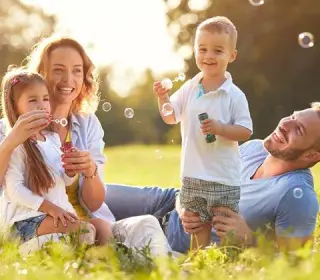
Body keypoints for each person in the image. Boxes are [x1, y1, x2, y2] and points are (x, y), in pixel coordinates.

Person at [0, 35, 171, 256]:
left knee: (147, 224)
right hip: (36, 224)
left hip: (89, 220)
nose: (68, 79)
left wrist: (88, 171)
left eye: (77, 71)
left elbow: (95, 200)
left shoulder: (85, 124)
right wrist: (11, 141)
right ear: (40, 75)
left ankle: (167, 268)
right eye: (59, 70)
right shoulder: (9, 128)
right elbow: (12, 187)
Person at [104, 103, 320, 253]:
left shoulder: (297, 196)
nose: (285, 124)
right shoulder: (255, 148)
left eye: (298, 129)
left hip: (178, 240)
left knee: (96, 229)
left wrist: (249, 241)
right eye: (292, 116)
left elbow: (293, 267)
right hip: (170, 201)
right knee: (89, 194)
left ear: (312, 155)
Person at [153, 16, 252, 248]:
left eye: (218, 50)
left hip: (223, 177)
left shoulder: (234, 95)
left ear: (232, 56)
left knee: (225, 225)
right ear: (195, 51)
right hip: (193, 174)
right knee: (196, 226)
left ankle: (230, 263)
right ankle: (199, 264)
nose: (209, 56)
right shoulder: (190, 88)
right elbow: (170, 116)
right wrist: (163, 98)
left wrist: (221, 128)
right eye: (203, 49)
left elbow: (246, 130)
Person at [0, 69, 112, 245]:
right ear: (15, 107)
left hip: (53, 214)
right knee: (84, 230)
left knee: (103, 227)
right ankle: (86, 263)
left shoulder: (52, 139)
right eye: (32, 100)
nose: (42, 105)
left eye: (45, 99)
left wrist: (70, 171)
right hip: (25, 220)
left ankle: (103, 265)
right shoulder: (15, 143)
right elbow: (14, 190)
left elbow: (65, 182)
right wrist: (50, 208)